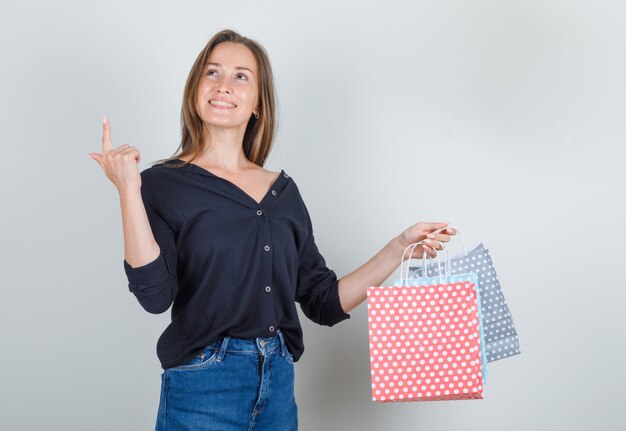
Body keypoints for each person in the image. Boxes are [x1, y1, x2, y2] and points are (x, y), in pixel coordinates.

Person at [89, 28, 455, 431]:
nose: (223, 85)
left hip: (277, 389)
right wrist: (128, 190)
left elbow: (323, 302)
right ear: (196, 89)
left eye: (241, 76)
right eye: (212, 73)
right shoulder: (161, 184)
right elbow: (154, 296)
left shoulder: (283, 192)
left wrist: (398, 247)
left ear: (258, 103)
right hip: (203, 387)